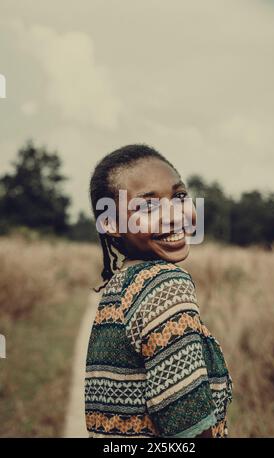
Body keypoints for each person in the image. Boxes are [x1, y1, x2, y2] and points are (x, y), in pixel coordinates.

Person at [85, 144, 232, 438]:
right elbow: (188, 423)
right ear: (111, 223)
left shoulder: (122, 285)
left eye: (179, 196)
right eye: (147, 206)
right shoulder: (164, 284)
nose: (174, 215)